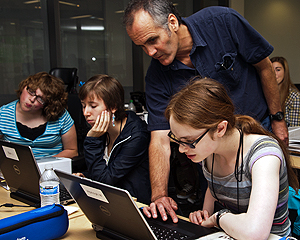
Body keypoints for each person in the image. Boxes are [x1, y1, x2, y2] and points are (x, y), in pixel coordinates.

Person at [123, 0, 288, 223]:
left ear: (172, 22)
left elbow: (264, 66)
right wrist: (159, 195)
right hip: (210, 150)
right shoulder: (156, 76)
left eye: (153, 40)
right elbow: (160, 139)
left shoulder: (223, 22)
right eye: (141, 46)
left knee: (262, 213)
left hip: (257, 132)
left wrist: (278, 120)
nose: (150, 52)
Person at [146, 77, 297, 238]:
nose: (182, 150)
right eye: (177, 140)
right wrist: (204, 214)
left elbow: (255, 234)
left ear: (220, 129)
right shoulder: (209, 151)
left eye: (189, 141)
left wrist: (219, 217)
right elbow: (215, 190)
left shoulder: (264, 156)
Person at [75, 74, 151, 204]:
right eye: (83, 105)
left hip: (135, 205)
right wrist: (86, 176)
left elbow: (105, 180)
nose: (86, 112)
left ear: (113, 107)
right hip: (109, 200)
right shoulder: (101, 130)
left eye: (93, 106)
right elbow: (105, 169)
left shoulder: (136, 135)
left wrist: (92, 141)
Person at [0, 72, 78, 159]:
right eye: (31, 92)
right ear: (23, 88)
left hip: (52, 168)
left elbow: (72, 151)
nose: (32, 99)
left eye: (40, 99)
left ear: (48, 104)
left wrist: (43, 164)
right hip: (17, 169)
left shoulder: (61, 116)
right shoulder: (3, 114)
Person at [271, 56, 300, 127]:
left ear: (285, 72)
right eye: (271, 70)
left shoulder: (294, 96)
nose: (274, 73)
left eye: (278, 70)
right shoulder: (263, 93)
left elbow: (295, 128)